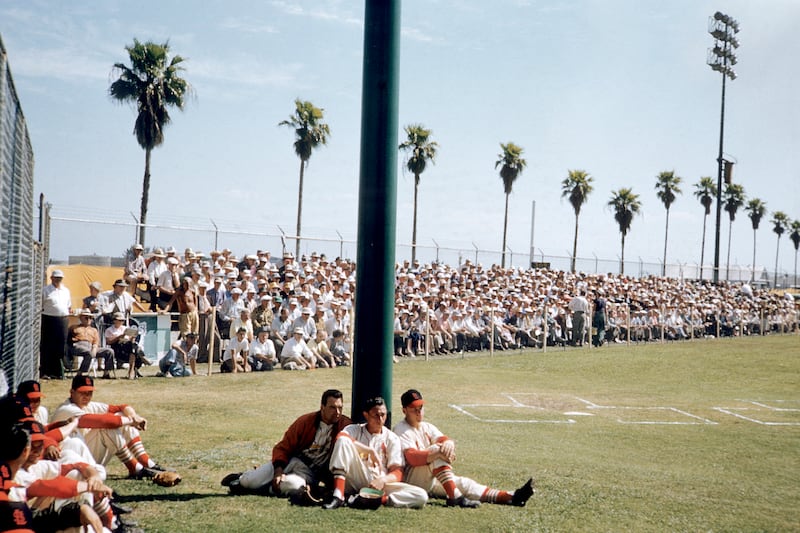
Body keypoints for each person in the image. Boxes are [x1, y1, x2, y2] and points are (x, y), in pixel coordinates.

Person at [393, 389, 534, 508]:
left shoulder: (427, 426)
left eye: (421, 408)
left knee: (465, 484)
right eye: (414, 409)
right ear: (404, 410)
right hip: (411, 481)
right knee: (436, 450)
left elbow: (444, 439)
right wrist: (439, 452)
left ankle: (511, 496)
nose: (419, 412)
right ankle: (454, 497)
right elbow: (412, 458)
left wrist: (449, 445)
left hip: (430, 478)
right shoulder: (401, 429)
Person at [221, 389, 352, 502]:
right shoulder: (305, 421)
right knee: (249, 481)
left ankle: (259, 489)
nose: (337, 412)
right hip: (292, 461)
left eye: (340, 407)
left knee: (294, 486)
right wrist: (278, 472)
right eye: (332, 407)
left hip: (310, 473)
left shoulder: (345, 425)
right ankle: (242, 478)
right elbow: (283, 447)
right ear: (322, 407)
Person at [51, 375, 172, 480]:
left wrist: (134, 416)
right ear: (72, 392)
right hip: (68, 462)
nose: (86, 396)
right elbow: (101, 421)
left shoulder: (89, 405)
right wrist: (131, 421)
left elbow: (121, 407)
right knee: (107, 426)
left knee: (121, 416)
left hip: (85, 456)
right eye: (82, 392)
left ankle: (146, 462)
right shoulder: (66, 409)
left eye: (89, 393)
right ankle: (135, 468)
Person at [324, 396, 428, 509]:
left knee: (421, 495)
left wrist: (383, 480)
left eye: (383, 415)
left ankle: (369, 500)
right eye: (376, 415)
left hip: (379, 484)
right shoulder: (355, 429)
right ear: (366, 415)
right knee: (344, 441)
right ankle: (338, 496)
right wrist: (368, 450)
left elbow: (397, 471)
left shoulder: (392, 438)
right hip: (357, 476)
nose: (380, 419)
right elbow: (340, 437)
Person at [40, 269, 72, 380]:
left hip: (63, 319)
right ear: (51, 278)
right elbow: (41, 304)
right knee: (47, 345)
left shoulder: (66, 291)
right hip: (49, 318)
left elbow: (68, 305)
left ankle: (58, 372)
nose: (58, 280)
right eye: (56, 278)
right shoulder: (45, 290)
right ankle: (45, 371)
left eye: (60, 278)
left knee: (61, 345)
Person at [68, 309, 115, 379]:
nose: (89, 319)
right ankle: (81, 373)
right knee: (88, 352)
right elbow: (68, 340)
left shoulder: (94, 330)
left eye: (90, 318)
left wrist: (94, 348)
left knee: (109, 351)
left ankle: (106, 373)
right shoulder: (73, 327)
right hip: (78, 345)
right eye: (86, 317)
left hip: (91, 346)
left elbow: (96, 342)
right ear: (81, 318)